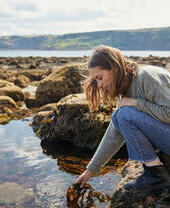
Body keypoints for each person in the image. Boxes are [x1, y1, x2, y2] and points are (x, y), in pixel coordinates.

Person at [74, 45, 170, 192]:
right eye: (96, 80)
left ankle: (155, 174)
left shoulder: (147, 77)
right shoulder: (126, 87)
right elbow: (114, 133)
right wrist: (91, 170)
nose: (99, 85)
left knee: (124, 114)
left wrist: (136, 103)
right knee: (119, 116)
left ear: (115, 67)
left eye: (100, 78)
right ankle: (157, 166)